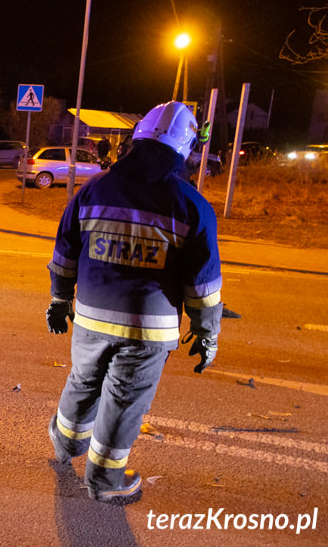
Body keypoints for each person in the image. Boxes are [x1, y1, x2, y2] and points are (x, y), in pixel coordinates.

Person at [45, 101, 222, 505]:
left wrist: (59, 299)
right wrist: (207, 333)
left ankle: (66, 442)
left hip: (90, 317)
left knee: (84, 379)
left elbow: (65, 252)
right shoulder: (192, 206)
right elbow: (203, 285)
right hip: (147, 330)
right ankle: (105, 480)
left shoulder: (93, 189)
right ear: (185, 150)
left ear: (135, 138)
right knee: (123, 402)